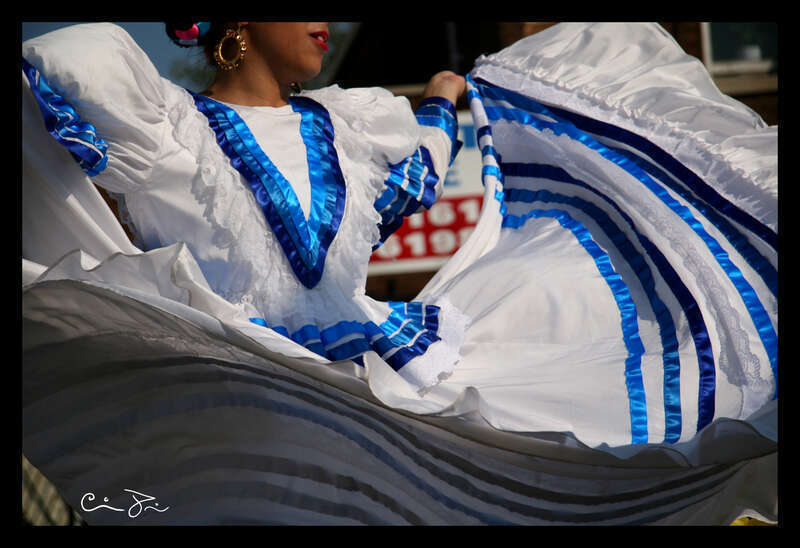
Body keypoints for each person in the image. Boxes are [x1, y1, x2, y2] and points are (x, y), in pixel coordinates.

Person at [21, 21, 777, 525]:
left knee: (553, 349)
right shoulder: (167, 129)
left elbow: (418, 174)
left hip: (379, 377)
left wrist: (447, 101)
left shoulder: (349, 125)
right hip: (244, 374)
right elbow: (65, 58)